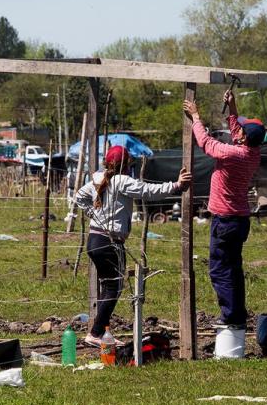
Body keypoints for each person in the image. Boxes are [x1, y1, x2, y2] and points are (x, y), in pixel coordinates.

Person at [74, 145, 191, 347]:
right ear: (126, 164)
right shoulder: (121, 181)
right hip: (111, 242)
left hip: (95, 240)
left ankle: (101, 332)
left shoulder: (97, 179)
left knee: (108, 286)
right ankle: (95, 333)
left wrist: (92, 214)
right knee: (114, 287)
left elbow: (78, 197)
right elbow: (147, 191)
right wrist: (177, 186)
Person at [183, 90, 265, 328]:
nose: (236, 130)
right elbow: (238, 131)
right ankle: (237, 313)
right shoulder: (252, 153)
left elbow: (207, 143)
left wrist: (196, 117)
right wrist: (233, 107)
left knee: (219, 270)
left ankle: (231, 317)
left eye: (239, 130)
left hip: (226, 221)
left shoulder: (232, 154)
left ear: (241, 138)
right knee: (234, 269)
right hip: (239, 220)